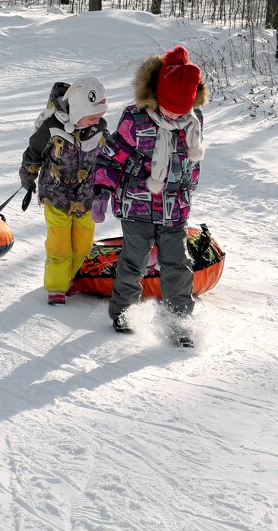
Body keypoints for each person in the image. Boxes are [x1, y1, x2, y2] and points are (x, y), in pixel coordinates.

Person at [92, 45, 207, 342]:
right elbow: (111, 156)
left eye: (181, 110)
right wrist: (102, 189)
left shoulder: (193, 123)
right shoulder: (135, 119)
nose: (174, 115)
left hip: (175, 209)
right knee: (134, 261)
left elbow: (191, 164)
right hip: (137, 206)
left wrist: (188, 190)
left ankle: (179, 321)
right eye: (169, 108)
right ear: (156, 96)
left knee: (177, 265)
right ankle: (123, 311)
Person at [19, 77, 109, 305]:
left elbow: (110, 155)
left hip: (87, 197)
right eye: (93, 116)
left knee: (83, 245)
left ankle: (70, 278)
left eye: (100, 115)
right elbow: (33, 154)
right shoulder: (51, 127)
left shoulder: (99, 128)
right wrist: (28, 177)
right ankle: (57, 286)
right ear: (78, 111)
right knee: (59, 246)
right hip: (56, 195)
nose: (98, 120)